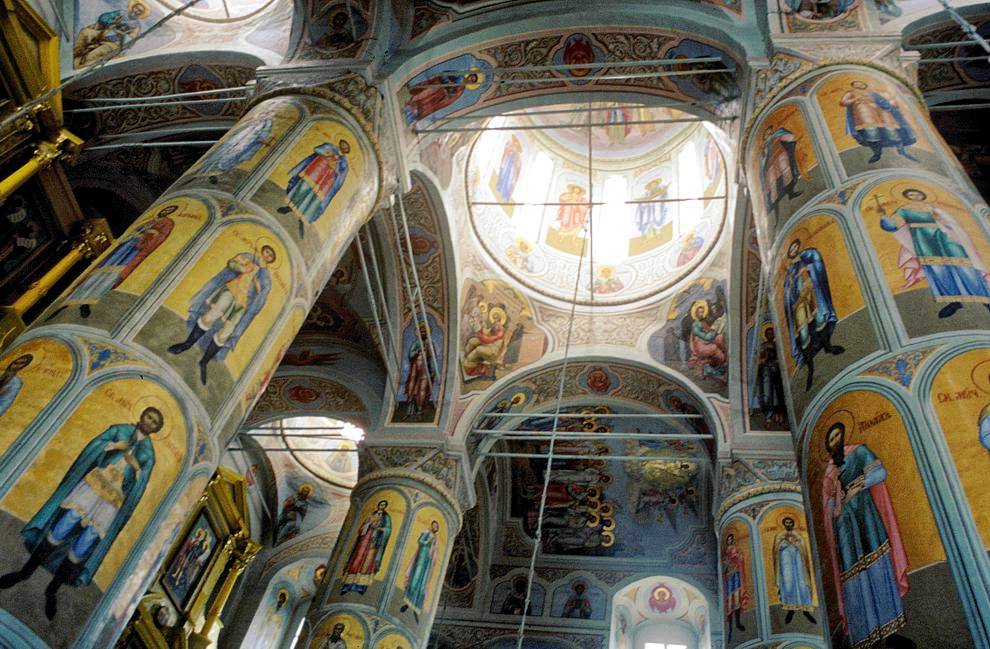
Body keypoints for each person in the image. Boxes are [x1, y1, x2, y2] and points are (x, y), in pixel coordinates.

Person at [0, 407, 161, 620]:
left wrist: (136, 469)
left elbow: (140, 486)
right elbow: (95, 447)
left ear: (156, 429)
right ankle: (24, 572)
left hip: (113, 501)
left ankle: (52, 590)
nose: (149, 422)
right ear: (142, 416)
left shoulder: (148, 454)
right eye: (149, 417)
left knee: (86, 541)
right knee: (64, 525)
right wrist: (114, 446)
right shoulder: (120, 430)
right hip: (94, 485)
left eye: (154, 422)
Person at [822, 421, 910, 648]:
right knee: (855, 578)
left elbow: (879, 472)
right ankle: (866, 636)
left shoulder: (858, 452)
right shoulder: (830, 471)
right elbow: (827, 504)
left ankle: (891, 632)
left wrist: (858, 486)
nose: (835, 441)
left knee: (877, 567)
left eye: (837, 436)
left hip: (866, 517)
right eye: (831, 440)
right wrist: (835, 503)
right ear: (829, 446)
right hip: (845, 529)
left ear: (843, 436)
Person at [168, 246, 275, 385]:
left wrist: (256, 280)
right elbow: (231, 263)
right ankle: (186, 344)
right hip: (231, 290)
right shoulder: (249, 257)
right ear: (263, 251)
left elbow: (262, 295)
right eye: (267, 252)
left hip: (243, 304)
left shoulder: (266, 277)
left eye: (270, 255)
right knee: (211, 316)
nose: (267, 255)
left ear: (271, 260)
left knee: (226, 333)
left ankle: (204, 362)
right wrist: (243, 268)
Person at [878, 188, 990, 318]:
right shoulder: (903, 210)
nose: (914, 196)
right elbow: (892, 226)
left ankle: (985, 299)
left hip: (944, 237)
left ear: (922, 195)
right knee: (938, 270)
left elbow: (951, 222)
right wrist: (884, 218)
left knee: (965, 267)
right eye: (911, 194)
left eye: (917, 194)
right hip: (924, 240)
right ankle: (954, 302)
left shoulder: (932, 208)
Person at [49, 206, 176, 319]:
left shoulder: (167, 222)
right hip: (123, 248)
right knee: (98, 272)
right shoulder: (150, 221)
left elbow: (159, 237)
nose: (166, 211)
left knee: (111, 276)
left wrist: (145, 241)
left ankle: (86, 303)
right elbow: (135, 231)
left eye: (169, 210)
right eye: (166, 210)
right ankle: (68, 302)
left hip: (132, 253)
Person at [782, 239, 845, 390]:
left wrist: (807, 270)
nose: (794, 250)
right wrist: (792, 287)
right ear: (789, 253)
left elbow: (816, 267)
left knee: (820, 319)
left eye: (796, 247)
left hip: (810, 294)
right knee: (803, 334)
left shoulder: (805, 259)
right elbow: (787, 292)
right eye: (792, 249)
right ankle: (810, 368)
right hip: (799, 303)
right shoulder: (789, 271)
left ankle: (828, 347)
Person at [277, 140, 350, 238]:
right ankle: (290, 207)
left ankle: (302, 219)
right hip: (314, 172)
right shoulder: (330, 147)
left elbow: (340, 178)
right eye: (343, 145)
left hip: (325, 182)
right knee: (302, 189)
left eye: (346, 148)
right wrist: (328, 154)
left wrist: (336, 167)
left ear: (346, 151)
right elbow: (317, 149)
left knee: (312, 199)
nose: (344, 147)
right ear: (340, 144)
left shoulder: (344, 163)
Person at [840, 80, 917, 164]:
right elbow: (843, 102)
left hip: (881, 114)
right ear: (853, 86)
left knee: (892, 132)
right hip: (865, 114)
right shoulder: (851, 93)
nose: (860, 85)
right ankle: (877, 154)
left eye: (861, 83)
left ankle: (901, 151)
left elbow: (884, 101)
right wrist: (855, 99)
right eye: (857, 84)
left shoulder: (872, 93)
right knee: (872, 133)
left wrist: (890, 104)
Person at [197, 114, 275, 184]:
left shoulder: (264, 123)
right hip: (240, 141)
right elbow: (257, 133)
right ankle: (212, 172)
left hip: (245, 142)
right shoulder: (255, 124)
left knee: (234, 156)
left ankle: (216, 173)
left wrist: (262, 139)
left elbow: (261, 134)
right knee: (229, 155)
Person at [772, 517, 818, 625]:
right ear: (784, 524)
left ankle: (805, 610)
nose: (788, 524)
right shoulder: (780, 536)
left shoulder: (798, 535)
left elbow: (804, 550)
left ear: (793, 524)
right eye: (786, 522)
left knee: (802, 584)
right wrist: (785, 542)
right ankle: (790, 610)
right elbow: (776, 549)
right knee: (788, 584)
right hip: (786, 564)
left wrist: (796, 542)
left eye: (790, 522)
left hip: (799, 565)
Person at [340, 500, 392, 594]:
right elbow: (362, 528)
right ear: (378, 505)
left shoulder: (386, 517)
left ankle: (361, 587)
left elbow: (388, 530)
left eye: (384, 505)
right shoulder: (371, 515)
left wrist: (379, 528)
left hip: (374, 542)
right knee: (357, 560)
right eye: (381, 504)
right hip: (364, 540)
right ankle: (347, 586)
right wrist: (369, 524)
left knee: (368, 563)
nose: (382, 506)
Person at [760, 125, 803, 225]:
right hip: (770, 164)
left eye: (770, 132)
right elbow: (762, 161)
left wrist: (789, 137)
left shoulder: (776, 136)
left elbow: (789, 137)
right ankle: (775, 211)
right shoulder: (764, 148)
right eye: (767, 134)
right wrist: (764, 152)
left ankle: (791, 193)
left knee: (787, 172)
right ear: (765, 137)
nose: (769, 134)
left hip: (780, 154)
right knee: (773, 185)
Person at [403, 71, 481, 124]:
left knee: (426, 105)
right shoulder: (459, 76)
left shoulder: (462, 89)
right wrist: (448, 83)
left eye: (472, 81)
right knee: (422, 96)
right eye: (471, 77)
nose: (470, 80)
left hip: (440, 96)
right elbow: (444, 74)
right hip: (437, 87)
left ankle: (411, 114)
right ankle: (408, 106)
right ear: (469, 76)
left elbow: (453, 98)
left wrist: (450, 95)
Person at [400, 520, 441, 622]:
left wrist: (434, 547)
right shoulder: (426, 533)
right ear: (431, 526)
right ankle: (407, 603)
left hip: (428, 563)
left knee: (422, 585)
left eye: (436, 527)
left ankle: (416, 607)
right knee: (415, 580)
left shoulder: (436, 538)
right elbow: (420, 541)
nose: (434, 528)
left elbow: (435, 551)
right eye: (434, 526)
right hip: (421, 558)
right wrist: (425, 542)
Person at [73, 10, 140, 68]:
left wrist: (122, 33)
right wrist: (111, 22)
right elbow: (103, 18)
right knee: (85, 32)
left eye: (139, 11)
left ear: (141, 14)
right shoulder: (121, 13)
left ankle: (82, 68)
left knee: (92, 55)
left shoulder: (136, 26)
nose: (136, 11)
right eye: (136, 8)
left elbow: (130, 41)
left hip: (112, 43)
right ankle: (75, 54)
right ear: (132, 7)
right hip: (103, 33)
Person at [754, 326, 787, 425]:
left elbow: (782, 358)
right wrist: (764, 359)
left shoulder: (778, 345)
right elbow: (758, 360)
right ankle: (769, 415)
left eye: (772, 333)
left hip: (777, 373)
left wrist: (777, 362)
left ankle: (780, 416)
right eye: (768, 334)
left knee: (779, 395)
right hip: (766, 372)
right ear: (765, 335)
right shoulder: (763, 346)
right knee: (767, 395)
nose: (770, 335)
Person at [688, 300, 728, 381]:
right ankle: (720, 365)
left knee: (720, 338)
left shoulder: (703, 322)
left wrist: (714, 331)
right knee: (715, 349)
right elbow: (706, 337)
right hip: (700, 346)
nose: (701, 314)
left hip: (706, 342)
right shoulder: (695, 325)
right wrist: (713, 333)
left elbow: (709, 331)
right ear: (696, 313)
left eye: (702, 312)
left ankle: (719, 366)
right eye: (700, 312)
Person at [402, 322, 436, 417]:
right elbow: (411, 355)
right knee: (412, 388)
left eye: (425, 331)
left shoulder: (429, 344)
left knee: (423, 389)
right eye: (421, 331)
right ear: (418, 333)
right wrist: (418, 350)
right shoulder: (416, 343)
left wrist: (432, 369)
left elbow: (431, 358)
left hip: (425, 370)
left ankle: (420, 409)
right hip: (415, 370)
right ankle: (410, 409)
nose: (423, 333)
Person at [723, 533, 747, 641]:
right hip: (729, 576)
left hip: (735, 573)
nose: (730, 540)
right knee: (729, 601)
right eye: (728, 539)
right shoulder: (725, 554)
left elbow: (740, 558)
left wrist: (737, 557)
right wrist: (727, 562)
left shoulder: (736, 549)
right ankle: (730, 629)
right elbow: (724, 567)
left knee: (736, 598)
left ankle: (737, 623)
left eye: (731, 539)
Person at [495, 135, 523, 201]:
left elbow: (517, 167)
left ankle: (504, 195)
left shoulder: (518, 157)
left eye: (515, 146)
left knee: (508, 182)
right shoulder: (511, 151)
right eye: (514, 144)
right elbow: (506, 156)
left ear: (517, 147)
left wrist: (514, 162)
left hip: (511, 172)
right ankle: (500, 188)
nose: (514, 146)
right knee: (503, 177)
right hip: (506, 168)